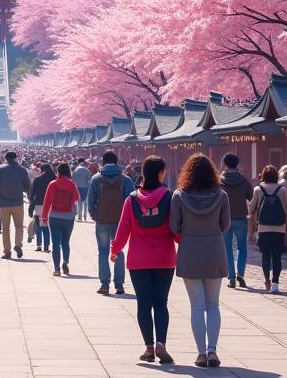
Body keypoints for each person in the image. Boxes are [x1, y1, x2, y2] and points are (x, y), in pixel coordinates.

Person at [110, 155, 177, 365]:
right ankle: (161, 344)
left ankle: (148, 347)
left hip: (138, 260)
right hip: (164, 259)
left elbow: (123, 230)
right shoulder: (169, 197)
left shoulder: (131, 199)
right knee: (161, 303)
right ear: (160, 173)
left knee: (143, 304)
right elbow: (176, 230)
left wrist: (114, 250)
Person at [169, 153, 230, 369]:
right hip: (214, 248)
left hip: (190, 250)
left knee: (196, 306)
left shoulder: (179, 195)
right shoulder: (221, 195)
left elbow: (174, 226)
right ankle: (213, 350)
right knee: (213, 304)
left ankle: (201, 353)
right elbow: (226, 224)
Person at [88, 150, 135, 295]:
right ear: (116, 162)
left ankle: (104, 284)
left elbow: (91, 201)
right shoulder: (125, 179)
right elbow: (131, 201)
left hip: (102, 220)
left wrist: (95, 215)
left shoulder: (96, 179)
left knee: (102, 252)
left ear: (103, 161)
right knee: (118, 251)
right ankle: (119, 284)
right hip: (120, 221)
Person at [248, 165, 287, 293]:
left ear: (263, 176)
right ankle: (275, 284)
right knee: (277, 256)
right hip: (279, 228)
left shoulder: (258, 189)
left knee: (265, 255)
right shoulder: (282, 190)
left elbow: (251, 209)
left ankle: (267, 280)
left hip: (263, 228)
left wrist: (254, 225)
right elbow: (286, 210)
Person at [219, 152, 253, 289]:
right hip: (240, 217)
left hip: (224, 218)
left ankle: (231, 277)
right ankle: (241, 274)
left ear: (224, 165)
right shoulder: (244, 181)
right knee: (242, 247)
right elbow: (251, 197)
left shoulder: (220, 181)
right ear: (237, 165)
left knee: (227, 248)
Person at [41, 162, 80, 277]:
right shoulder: (71, 184)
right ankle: (65, 262)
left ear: (57, 172)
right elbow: (76, 198)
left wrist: (44, 216)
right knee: (65, 242)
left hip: (54, 217)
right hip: (68, 217)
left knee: (55, 243)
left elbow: (47, 201)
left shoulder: (53, 184)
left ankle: (57, 268)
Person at [0, 151, 31, 260]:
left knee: (5, 229)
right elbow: (27, 186)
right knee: (19, 227)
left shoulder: (0, 169)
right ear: (16, 158)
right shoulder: (22, 170)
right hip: (17, 202)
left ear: (6, 158)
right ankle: (18, 244)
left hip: (4, 203)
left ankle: (7, 251)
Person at [29, 163, 54, 253]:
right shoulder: (54, 179)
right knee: (46, 226)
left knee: (39, 226)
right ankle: (46, 246)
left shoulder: (38, 179)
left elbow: (32, 194)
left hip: (39, 204)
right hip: (51, 206)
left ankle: (39, 245)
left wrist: (31, 204)